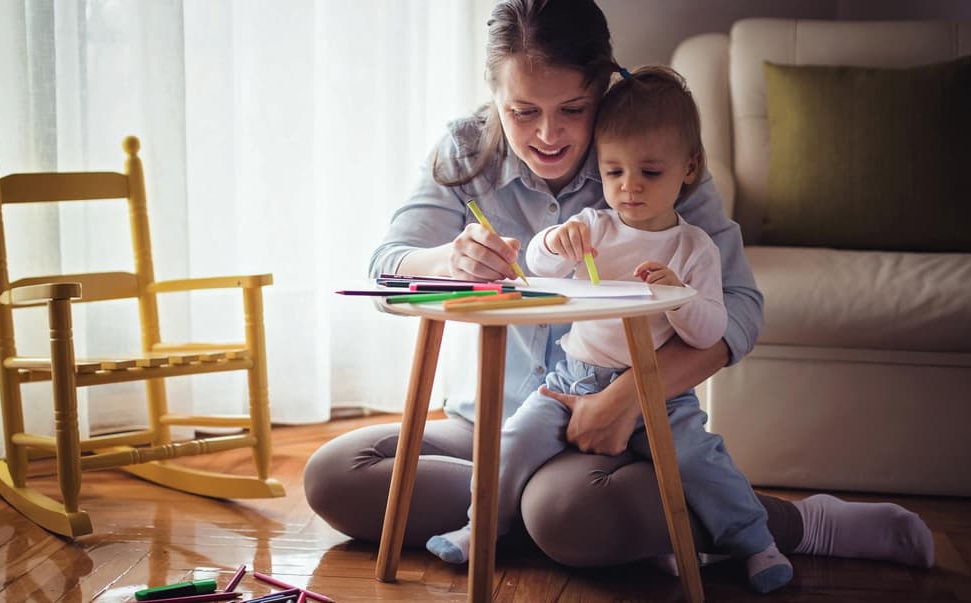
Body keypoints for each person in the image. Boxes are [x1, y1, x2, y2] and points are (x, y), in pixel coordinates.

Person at [305, 0, 934, 577]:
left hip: (609, 429)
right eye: (523, 112)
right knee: (336, 475)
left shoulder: (648, 153)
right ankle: (530, 513)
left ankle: (796, 524)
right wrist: (449, 256)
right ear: (494, 97)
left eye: (572, 111)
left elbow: (740, 306)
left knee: (568, 515)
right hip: (496, 423)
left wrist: (633, 395)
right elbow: (388, 261)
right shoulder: (468, 153)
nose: (548, 136)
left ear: (603, 89)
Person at [425, 65, 792, 594]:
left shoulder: (694, 248)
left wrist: (675, 296)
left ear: (689, 169)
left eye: (649, 172)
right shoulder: (595, 226)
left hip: (656, 398)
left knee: (700, 459)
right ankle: (480, 526)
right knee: (512, 442)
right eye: (614, 173)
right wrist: (555, 244)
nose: (630, 188)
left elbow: (711, 327)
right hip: (570, 379)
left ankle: (758, 542)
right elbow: (539, 266)